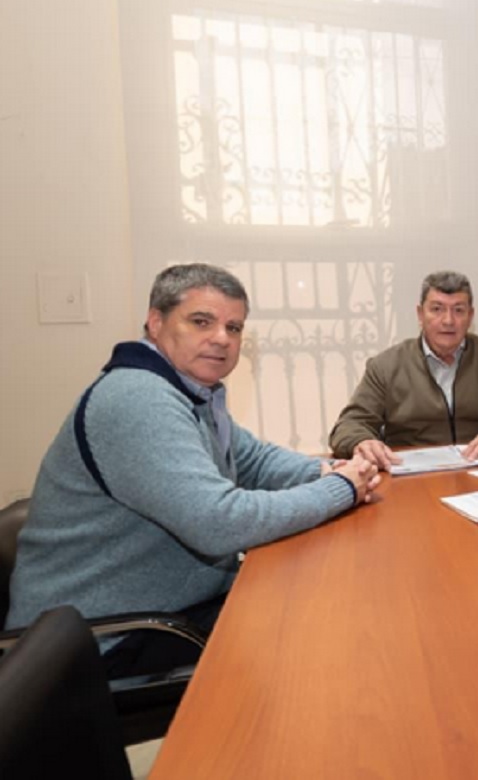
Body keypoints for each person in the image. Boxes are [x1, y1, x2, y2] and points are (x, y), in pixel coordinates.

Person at [6, 263, 381, 677]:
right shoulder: (137, 398)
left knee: (320, 600)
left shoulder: (189, 392)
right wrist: (340, 489)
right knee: (319, 637)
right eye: (202, 321)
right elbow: (219, 523)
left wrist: (335, 469)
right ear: (156, 322)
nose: (222, 338)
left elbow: (254, 461)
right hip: (99, 642)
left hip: (166, 608)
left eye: (234, 327)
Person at [329, 270, 478, 467]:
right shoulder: (386, 366)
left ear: (470, 316)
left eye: (458, 310)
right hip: (414, 477)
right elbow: (348, 425)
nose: (448, 320)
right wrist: (362, 442)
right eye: (437, 309)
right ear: (420, 314)